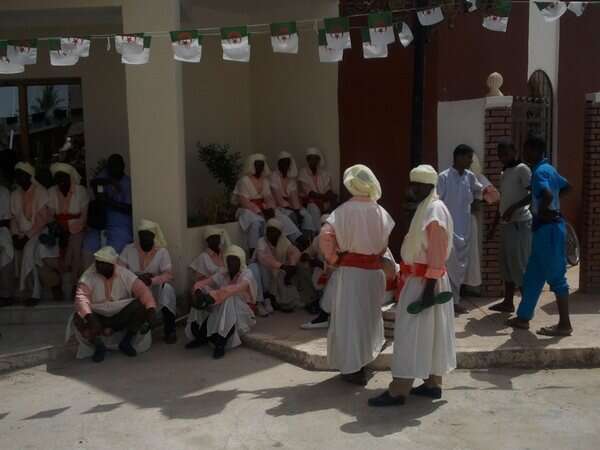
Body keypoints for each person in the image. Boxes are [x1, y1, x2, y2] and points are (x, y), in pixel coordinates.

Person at [369, 165, 455, 407]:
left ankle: (399, 390)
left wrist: (427, 292)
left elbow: (436, 255)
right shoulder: (427, 208)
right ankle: (432, 384)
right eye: (412, 184)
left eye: (417, 185)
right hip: (422, 281)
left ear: (428, 186)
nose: (412, 189)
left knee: (408, 336)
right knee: (430, 335)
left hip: (426, 283)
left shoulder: (434, 211)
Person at [320, 164, 395, 385]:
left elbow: (325, 236)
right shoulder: (380, 212)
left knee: (350, 321)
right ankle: (362, 361)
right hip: (373, 275)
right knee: (368, 319)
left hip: (351, 274)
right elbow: (383, 245)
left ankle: (352, 368)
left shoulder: (342, 212)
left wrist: (334, 259)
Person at [506, 135, 572, 336]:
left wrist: (544, 210)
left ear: (536, 150)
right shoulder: (548, 169)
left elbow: (548, 194)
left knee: (556, 277)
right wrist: (551, 207)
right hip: (544, 228)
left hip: (549, 229)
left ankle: (564, 325)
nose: (524, 153)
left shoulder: (540, 172)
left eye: (527, 149)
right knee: (533, 275)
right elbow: (566, 186)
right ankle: (523, 317)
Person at [70, 246, 157, 363]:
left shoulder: (124, 274)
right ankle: (99, 346)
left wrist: (151, 310)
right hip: (98, 315)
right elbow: (81, 298)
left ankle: (126, 341)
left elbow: (143, 291)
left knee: (140, 306)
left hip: (119, 314)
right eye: (97, 262)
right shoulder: (88, 276)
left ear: (112, 264)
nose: (99, 266)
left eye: (103, 263)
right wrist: (89, 317)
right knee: (78, 316)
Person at [185, 245, 257, 359]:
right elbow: (201, 283)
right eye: (229, 260)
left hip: (242, 314)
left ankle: (221, 343)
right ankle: (199, 335)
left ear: (241, 260)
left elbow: (234, 289)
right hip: (222, 308)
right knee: (202, 292)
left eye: (235, 260)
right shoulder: (223, 273)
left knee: (229, 297)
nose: (231, 263)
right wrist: (198, 292)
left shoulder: (247, 274)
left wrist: (212, 296)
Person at [487, 139, 532, 312]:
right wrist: (494, 226)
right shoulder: (505, 171)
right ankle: (508, 302)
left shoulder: (522, 169)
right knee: (506, 265)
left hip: (519, 223)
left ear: (514, 151)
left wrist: (514, 208)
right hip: (506, 224)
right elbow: (503, 201)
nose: (502, 158)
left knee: (518, 265)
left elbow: (533, 193)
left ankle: (527, 308)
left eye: (505, 154)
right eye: (500, 155)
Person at [437, 145, 482, 314]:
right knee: (448, 267)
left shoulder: (470, 177)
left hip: (465, 229)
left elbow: (479, 191)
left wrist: (478, 201)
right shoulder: (443, 177)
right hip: (448, 229)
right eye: (469, 157)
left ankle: (455, 300)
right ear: (458, 157)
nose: (471, 161)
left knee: (461, 268)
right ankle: (449, 302)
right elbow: (437, 202)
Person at [119, 220, 177, 344]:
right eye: (141, 235)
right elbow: (119, 271)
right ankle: (129, 332)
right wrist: (136, 278)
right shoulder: (129, 249)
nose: (144, 239)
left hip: (153, 287)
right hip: (133, 288)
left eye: (147, 236)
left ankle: (170, 330)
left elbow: (168, 275)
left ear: (153, 236)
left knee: (167, 289)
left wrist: (151, 280)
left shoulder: (162, 252)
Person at [232, 153, 302, 254]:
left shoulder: (264, 180)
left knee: (281, 217)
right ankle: (253, 250)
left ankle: (297, 239)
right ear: (252, 165)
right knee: (256, 222)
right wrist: (259, 211)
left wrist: (270, 208)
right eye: (257, 164)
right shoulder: (244, 181)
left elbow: (268, 197)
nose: (260, 167)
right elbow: (244, 201)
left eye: (262, 164)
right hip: (247, 210)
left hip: (263, 208)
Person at [45, 163, 89, 293]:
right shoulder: (51, 192)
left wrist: (69, 230)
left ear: (70, 177)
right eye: (58, 178)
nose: (61, 181)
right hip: (57, 229)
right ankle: (55, 282)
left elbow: (84, 217)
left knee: (76, 247)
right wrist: (59, 230)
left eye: (63, 177)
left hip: (77, 228)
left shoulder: (80, 191)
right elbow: (50, 216)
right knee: (44, 248)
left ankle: (75, 283)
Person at [10, 162, 50, 306]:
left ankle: (35, 293)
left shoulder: (41, 192)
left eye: (21, 175)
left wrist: (27, 237)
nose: (18, 178)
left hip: (39, 231)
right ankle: (22, 290)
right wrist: (15, 236)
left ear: (29, 176)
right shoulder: (15, 194)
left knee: (29, 250)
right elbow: (13, 219)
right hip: (21, 234)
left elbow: (43, 220)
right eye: (17, 175)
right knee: (15, 251)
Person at [83, 154, 133, 257]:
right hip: (102, 220)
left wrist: (109, 202)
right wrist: (110, 181)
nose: (112, 169)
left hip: (120, 223)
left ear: (123, 166)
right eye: (110, 167)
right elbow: (94, 182)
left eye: (115, 166)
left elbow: (129, 209)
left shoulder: (127, 183)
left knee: (114, 251)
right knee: (89, 246)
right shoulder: (106, 174)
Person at [463, 154, 500, 294]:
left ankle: (464, 287)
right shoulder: (452, 177)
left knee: (469, 255)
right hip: (456, 219)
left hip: (469, 219)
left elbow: (495, 196)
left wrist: (478, 201)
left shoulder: (477, 178)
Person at [253, 218, 302, 313]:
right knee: (266, 271)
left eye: (274, 231)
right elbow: (263, 258)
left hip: (277, 268)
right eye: (269, 231)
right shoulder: (261, 241)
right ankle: (266, 299)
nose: (271, 234)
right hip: (262, 268)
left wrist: (292, 265)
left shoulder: (283, 241)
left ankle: (282, 301)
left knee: (287, 273)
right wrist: (282, 266)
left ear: (279, 233)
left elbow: (294, 252)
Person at [270, 151, 315, 238]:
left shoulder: (291, 179)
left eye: (287, 163)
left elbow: (294, 197)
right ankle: (296, 239)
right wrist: (294, 211)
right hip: (277, 206)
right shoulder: (274, 176)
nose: (285, 165)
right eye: (283, 163)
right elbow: (278, 199)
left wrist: (297, 210)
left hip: (290, 206)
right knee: (292, 215)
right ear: (279, 164)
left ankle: (308, 238)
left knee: (306, 215)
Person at [300, 214, 334, 329]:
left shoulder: (337, 240)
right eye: (323, 225)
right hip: (320, 271)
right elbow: (310, 251)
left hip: (333, 272)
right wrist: (306, 255)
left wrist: (320, 264)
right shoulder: (318, 239)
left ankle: (324, 315)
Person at [298, 147, 338, 230]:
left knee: (335, 201)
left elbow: (328, 188)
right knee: (314, 209)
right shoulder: (303, 172)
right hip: (310, 201)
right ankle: (319, 232)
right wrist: (325, 197)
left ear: (318, 160)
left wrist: (330, 195)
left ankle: (333, 230)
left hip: (323, 199)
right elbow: (309, 192)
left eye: (315, 159)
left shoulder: (323, 173)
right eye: (311, 159)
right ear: (307, 160)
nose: (313, 161)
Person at [0, 179, 13, 306]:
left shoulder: (3, 192)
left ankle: (6, 295)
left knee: (5, 255)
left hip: (2, 231)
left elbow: (6, 220)